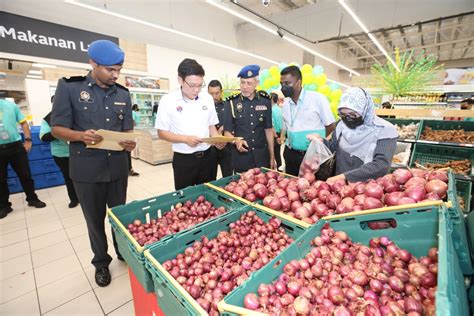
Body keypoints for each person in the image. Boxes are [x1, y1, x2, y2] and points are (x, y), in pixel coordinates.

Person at [51, 39, 136, 287]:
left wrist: (129, 142)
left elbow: (127, 129)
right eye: (110, 69)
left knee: (119, 216)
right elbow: (57, 128)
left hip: (118, 167)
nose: (115, 74)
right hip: (86, 169)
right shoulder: (70, 88)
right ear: (93, 63)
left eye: (119, 69)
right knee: (94, 219)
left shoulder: (123, 93)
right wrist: (80, 136)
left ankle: (123, 251)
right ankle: (101, 262)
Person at [155, 58, 225, 190]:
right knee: (185, 200)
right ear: (180, 80)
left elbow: (211, 125)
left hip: (208, 158)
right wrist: (185, 139)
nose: (197, 90)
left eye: (200, 85)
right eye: (192, 85)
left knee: (208, 196)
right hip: (184, 160)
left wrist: (217, 140)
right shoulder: (168, 101)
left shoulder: (207, 98)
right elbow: (161, 132)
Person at [311, 87, 398, 184]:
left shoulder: (384, 130)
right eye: (343, 114)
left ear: (365, 110)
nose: (347, 119)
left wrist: (345, 176)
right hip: (339, 185)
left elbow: (381, 165)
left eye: (352, 115)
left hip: (367, 189)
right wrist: (322, 141)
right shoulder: (341, 126)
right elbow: (334, 148)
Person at [280, 65, 336, 176]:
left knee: (312, 189)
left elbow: (331, 125)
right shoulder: (286, 104)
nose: (283, 87)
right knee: (291, 187)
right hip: (290, 154)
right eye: (282, 84)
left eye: (288, 83)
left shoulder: (317, 99)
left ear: (299, 82)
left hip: (312, 155)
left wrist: (319, 142)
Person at [223, 65, 276, 173]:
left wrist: (272, 156)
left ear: (257, 83)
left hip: (262, 158)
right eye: (242, 82)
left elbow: (268, 130)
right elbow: (227, 132)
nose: (245, 87)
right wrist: (236, 140)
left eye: (249, 83)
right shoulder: (232, 103)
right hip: (241, 158)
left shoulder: (265, 102)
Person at [0, 99, 46, 219]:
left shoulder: (10, 105)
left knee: (25, 175)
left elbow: (24, 123)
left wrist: (28, 140)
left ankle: (32, 199)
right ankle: (4, 205)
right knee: (1, 179)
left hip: (15, 146)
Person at [40, 97, 79, 209]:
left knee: (83, 176)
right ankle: (74, 199)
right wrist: (57, 131)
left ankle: (84, 197)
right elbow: (43, 137)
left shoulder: (75, 114)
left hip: (78, 152)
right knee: (68, 177)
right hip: (61, 154)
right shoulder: (48, 119)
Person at [208, 80, 233, 178]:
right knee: (210, 177)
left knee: (228, 177)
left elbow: (235, 123)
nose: (214, 96)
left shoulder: (229, 105)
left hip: (226, 147)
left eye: (217, 93)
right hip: (210, 148)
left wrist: (224, 128)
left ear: (221, 92)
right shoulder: (203, 107)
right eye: (211, 94)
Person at [271, 92, 284, 171]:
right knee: (277, 153)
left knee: (272, 154)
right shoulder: (279, 109)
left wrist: (276, 137)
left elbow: (271, 126)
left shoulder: (271, 110)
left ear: (272, 99)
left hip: (274, 135)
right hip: (280, 134)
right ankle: (280, 169)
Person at [128, 104, 140, 176]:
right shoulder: (132, 112)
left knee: (128, 153)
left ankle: (130, 169)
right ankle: (129, 169)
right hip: (129, 131)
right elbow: (132, 121)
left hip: (129, 132)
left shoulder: (130, 112)